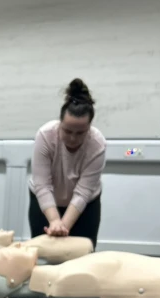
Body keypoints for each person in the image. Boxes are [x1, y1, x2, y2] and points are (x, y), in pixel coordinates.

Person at [28, 78, 107, 247]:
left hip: (85, 205)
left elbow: (83, 192)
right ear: (60, 123)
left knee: (82, 257)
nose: (73, 138)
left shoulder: (97, 144)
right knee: (42, 255)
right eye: (67, 131)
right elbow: (42, 185)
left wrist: (62, 226)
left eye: (80, 133)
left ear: (89, 127)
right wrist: (54, 221)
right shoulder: (45, 135)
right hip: (45, 200)